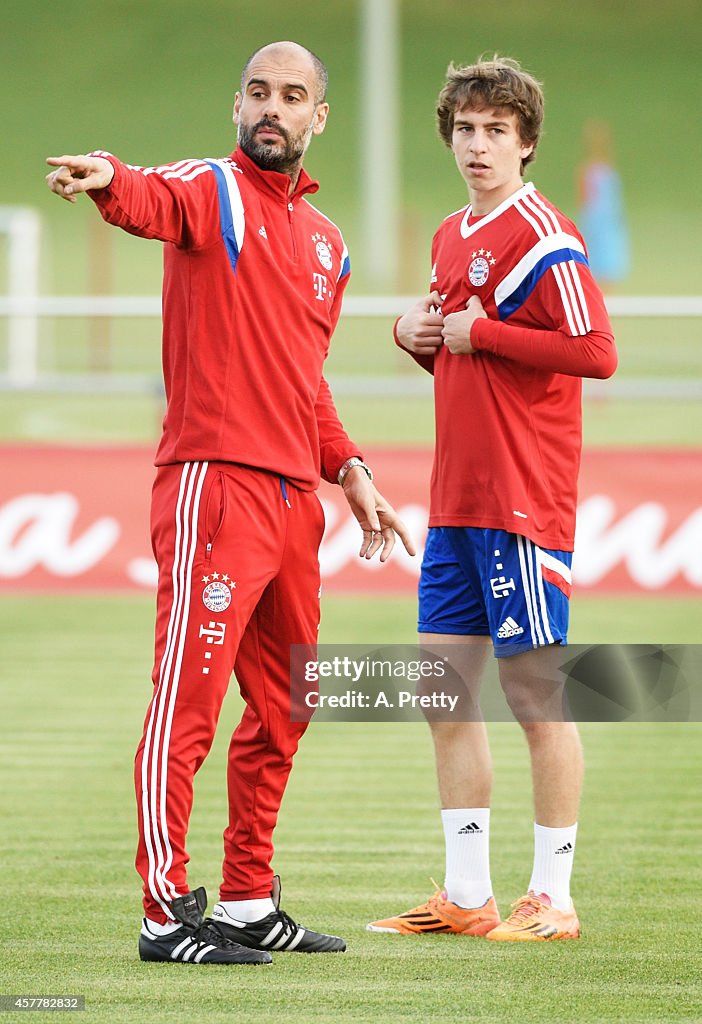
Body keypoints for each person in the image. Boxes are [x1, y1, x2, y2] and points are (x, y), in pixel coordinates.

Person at [46, 40, 414, 966]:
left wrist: (352, 469)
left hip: (297, 500)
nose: (272, 109)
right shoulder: (212, 190)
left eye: (293, 97)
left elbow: (306, 381)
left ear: (319, 116)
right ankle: (164, 912)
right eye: (258, 92)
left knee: (288, 704)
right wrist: (106, 179)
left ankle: (249, 898)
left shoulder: (328, 245)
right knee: (190, 705)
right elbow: (149, 195)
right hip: (218, 485)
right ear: (236, 103)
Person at [367, 56, 616, 941]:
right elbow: (469, 358)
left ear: (526, 143)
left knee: (534, 695)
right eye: (465, 130)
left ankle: (553, 896)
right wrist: (417, 336)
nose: (478, 146)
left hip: (521, 496)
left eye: (496, 132)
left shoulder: (546, 235)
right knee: (447, 693)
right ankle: (466, 895)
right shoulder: (449, 232)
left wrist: (485, 332)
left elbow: (594, 352)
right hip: (457, 499)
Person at [577, 118, 630, 288]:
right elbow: (586, 201)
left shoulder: (606, 171)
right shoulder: (589, 173)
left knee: (607, 274)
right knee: (598, 273)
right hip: (596, 228)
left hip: (608, 227)